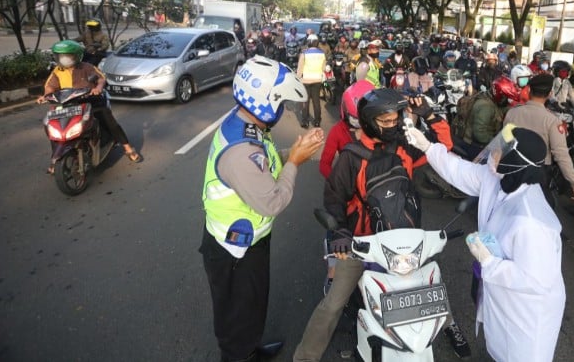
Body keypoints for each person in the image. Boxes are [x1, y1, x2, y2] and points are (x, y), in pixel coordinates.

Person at [293, 89, 470, 361]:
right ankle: (304, 357)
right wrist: (340, 231)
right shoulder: (351, 157)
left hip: (407, 242)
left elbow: (442, 146)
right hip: (364, 245)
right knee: (333, 304)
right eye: (385, 121)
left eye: (395, 119)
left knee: (431, 289)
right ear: (368, 121)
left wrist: (429, 115)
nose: (393, 124)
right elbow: (334, 199)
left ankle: (449, 325)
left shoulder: (404, 147)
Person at [405, 124, 566, 362]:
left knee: (520, 354)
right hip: (498, 289)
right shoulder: (501, 178)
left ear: (515, 162)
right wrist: (428, 147)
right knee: (498, 343)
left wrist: (490, 262)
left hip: (527, 311)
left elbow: (537, 280)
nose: (493, 153)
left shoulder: (533, 221)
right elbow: (460, 171)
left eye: (501, 150)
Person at [200, 56, 324, 362]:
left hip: (248, 242)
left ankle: (251, 349)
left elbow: (265, 162)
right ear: (265, 102)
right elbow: (272, 201)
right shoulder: (241, 151)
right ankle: (239, 355)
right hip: (234, 251)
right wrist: (295, 161)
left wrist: (292, 153)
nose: (283, 111)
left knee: (253, 306)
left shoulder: (245, 120)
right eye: (281, 103)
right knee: (236, 319)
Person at [37, 40, 142, 172]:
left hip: (92, 101)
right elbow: (50, 87)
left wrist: (97, 88)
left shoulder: (87, 67)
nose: (63, 59)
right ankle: (55, 158)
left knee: (108, 120)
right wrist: (45, 96)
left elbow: (101, 79)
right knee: (54, 126)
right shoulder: (57, 71)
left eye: (67, 55)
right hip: (68, 104)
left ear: (76, 56)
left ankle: (127, 147)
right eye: (60, 56)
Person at [317, 80, 375, 294]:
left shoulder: (380, 129)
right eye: (355, 120)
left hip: (376, 196)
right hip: (348, 197)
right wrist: (340, 185)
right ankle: (332, 277)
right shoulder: (338, 131)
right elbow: (324, 164)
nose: (361, 127)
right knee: (335, 232)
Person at [504, 73, 574, 206]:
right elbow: (561, 155)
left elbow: (505, 142)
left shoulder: (512, 113)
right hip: (538, 175)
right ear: (549, 94)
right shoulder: (552, 121)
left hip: (513, 169)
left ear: (529, 90)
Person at [297, 34, 325, 128]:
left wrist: (298, 78)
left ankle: (305, 122)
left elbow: (300, 68)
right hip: (317, 80)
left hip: (306, 80)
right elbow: (324, 67)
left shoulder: (304, 53)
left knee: (306, 101)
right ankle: (317, 122)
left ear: (309, 42)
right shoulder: (322, 53)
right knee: (316, 102)